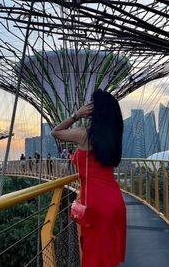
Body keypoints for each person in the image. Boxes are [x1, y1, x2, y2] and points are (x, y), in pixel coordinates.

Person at [52, 89, 126, 267]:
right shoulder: (114, 135)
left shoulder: (84, 135)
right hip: (115, 202)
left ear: (94, 110)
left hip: (96, 204)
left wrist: (76, 114)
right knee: (107, 256)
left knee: (93, 255)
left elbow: (56, 132)